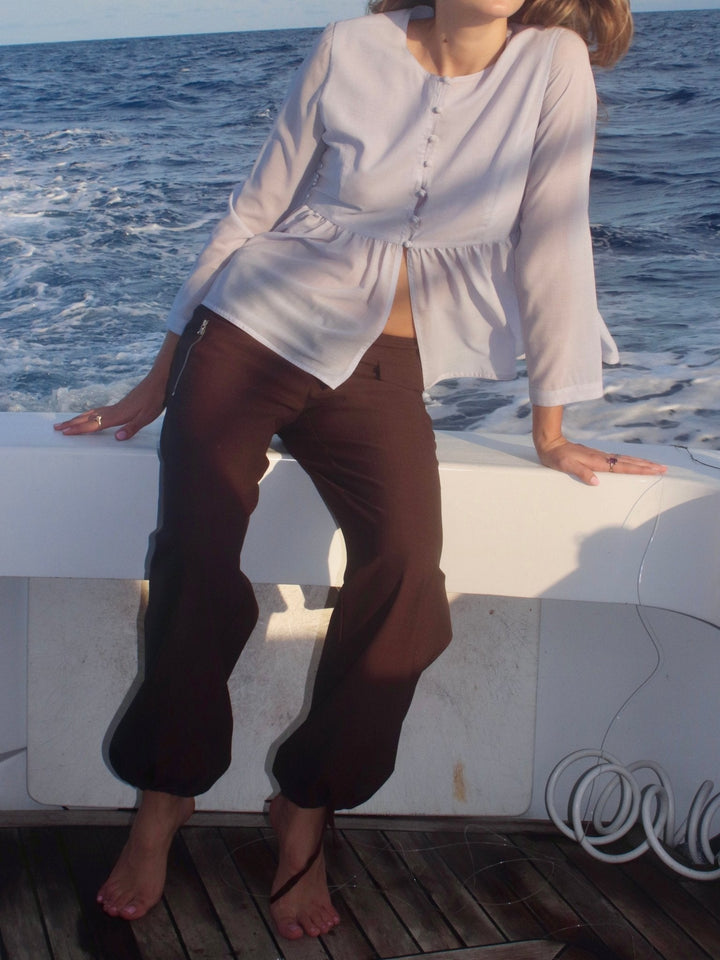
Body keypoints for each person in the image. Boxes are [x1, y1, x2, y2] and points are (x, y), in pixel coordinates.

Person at [55, 0, 666, 940]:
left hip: (380, 369)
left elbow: (554, 236)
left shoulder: (550, 66)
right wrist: (159, 375)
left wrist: (552, 425)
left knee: (408, 573)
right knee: (197, 554)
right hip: (251, 333)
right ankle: (164, 797)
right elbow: (255, 209)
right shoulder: (353, 44)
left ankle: (308, 801)